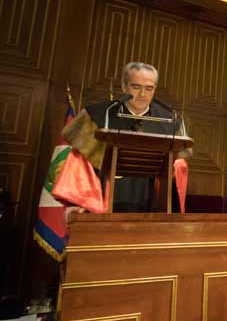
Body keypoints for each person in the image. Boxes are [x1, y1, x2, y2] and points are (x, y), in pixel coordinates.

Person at [58, 62, 189, 214]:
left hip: (148, 201)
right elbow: (80, 162)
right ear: (124, 86)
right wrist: (80, 201)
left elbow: (178, 164)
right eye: (136, 87)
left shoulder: (169, 120)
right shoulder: (99, 115)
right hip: (103, 198)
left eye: (149, 88)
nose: (142, 94)